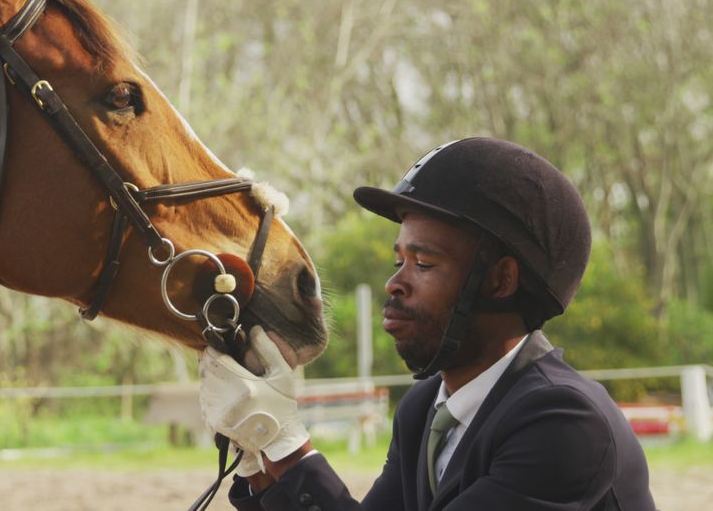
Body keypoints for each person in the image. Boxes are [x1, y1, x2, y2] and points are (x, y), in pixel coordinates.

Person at [199, 137, 656, 510]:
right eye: (399, 259)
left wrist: (282, 437)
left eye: (423, 263)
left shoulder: (564, 425)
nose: (394, 283)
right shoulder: (425, 410)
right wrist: (254, 453)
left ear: (500, 280)